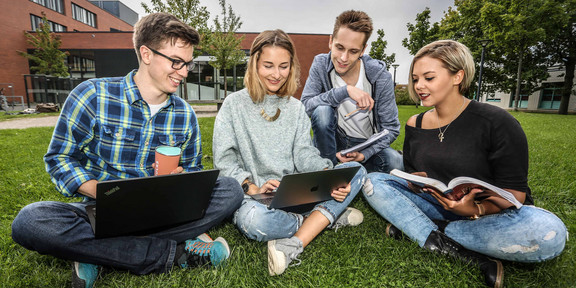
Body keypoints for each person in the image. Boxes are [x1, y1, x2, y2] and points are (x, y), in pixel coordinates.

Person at [11, 13, 243, 288]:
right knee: (30, 220)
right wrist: (103, 193)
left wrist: (181, 180)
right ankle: (175, 253)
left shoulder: (185, 114)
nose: (184, 72)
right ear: (146, 53)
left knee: (230, 189)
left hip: (162, 211)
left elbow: (193, 172)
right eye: (176, 62)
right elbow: (60, 157)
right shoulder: (92, 95)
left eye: (187, 64)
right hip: (100, 207)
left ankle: (95, 252)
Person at [363, 40, 567, 288]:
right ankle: (464, 254)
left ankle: (420, 228)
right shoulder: (415, 124)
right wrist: (415, 181)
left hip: (492, 215)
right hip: (438, 204)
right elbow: (416, 172)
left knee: (549, 234)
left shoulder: (496, 121)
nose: (419, 86)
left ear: (457, 76)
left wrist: (475, 210)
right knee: (374, 181)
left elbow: (515, 195)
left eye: (429, 77)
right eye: (416, 79)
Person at [212, 29, 367, 276]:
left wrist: (327, 174)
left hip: (296, 193)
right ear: (254, 64)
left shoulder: (296, 108)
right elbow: (224, 160)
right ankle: (322, 220)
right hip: (257, 199)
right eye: (268, 66)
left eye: (283, 66)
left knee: (357, 170)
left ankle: (315, 217)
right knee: (255, 222)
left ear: (291, 67)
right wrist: (252, 187)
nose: (276, 74)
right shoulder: (233, 105)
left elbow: (304, 154)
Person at [301, 10, 403, 173]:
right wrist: (345, 91)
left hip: (366, 144)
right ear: (330, 41)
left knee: (396, 162)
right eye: (339, 47)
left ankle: (353, 169)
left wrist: (364, 154)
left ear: (363, 50)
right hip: (332, 142)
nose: (343, 58)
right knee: (321, 110)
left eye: (353, 51)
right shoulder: (320, 64)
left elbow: (391, 128)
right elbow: (305, 106)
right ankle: (328, 170)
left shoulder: (380, 77)